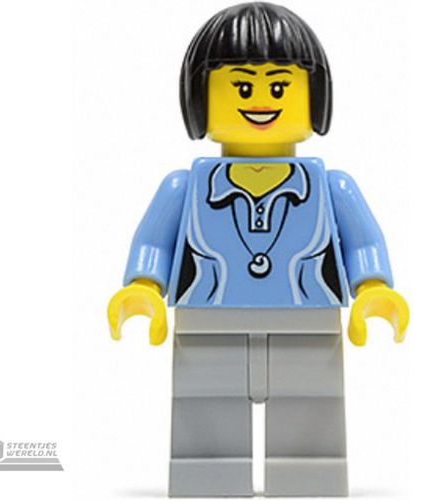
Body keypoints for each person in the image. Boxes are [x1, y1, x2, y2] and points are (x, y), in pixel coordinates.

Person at [107, 3, 409, 497]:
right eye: (242, 88)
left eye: (280, 86)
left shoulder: (332, 186)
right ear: (200, 99)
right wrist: (141, 288)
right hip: (206, 318)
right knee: (205, 412)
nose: (262, 101)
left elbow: (365, 243)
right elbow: (152, 244)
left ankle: (308, 476)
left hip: (310, 318)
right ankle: (209, 476)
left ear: (314, 97)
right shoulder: (185, 186)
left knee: (311, 412)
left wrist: (374, 290)